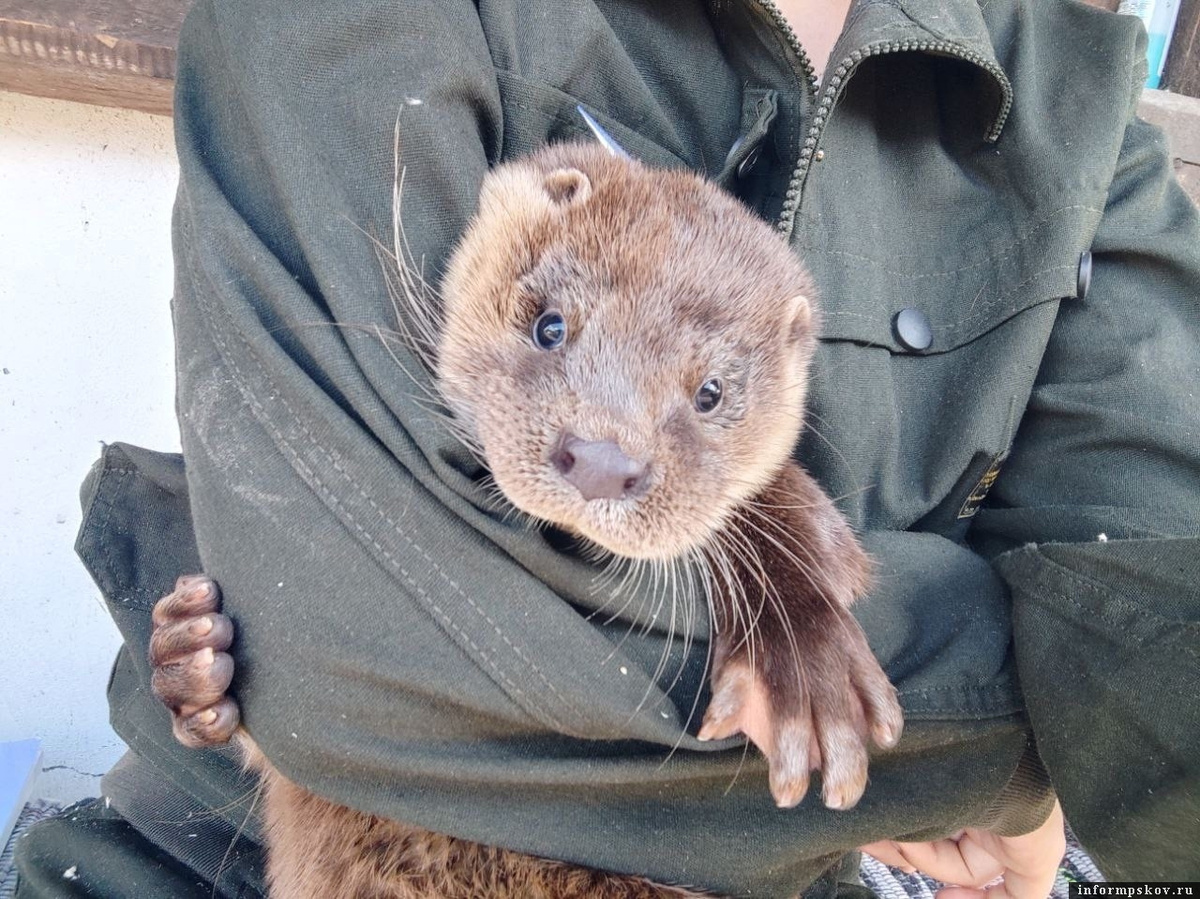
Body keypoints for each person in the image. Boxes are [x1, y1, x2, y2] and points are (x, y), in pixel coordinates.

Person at [15, 0, 1200, 896]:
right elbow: (345, 636)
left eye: (704, 402)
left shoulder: (1080, 116)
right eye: (548, 330)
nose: (601, 446)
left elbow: (1154, 649)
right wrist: (1016, 747)